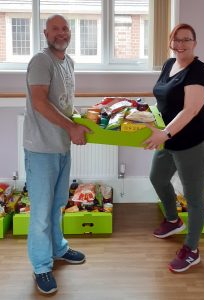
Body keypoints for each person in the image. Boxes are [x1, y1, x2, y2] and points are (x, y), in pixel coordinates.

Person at [23, 14, 90, 294]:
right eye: (55, 29)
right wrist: (71, 126)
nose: (61, 33)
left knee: (57, 203)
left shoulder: (68, 62)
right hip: (41, 148)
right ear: (45, 33)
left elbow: (64, 105)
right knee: (40, 211)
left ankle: (58, 248)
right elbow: (39, 102)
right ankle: (41, 266)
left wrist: (84, 122)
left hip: (61, 147)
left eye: (65, 29)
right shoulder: (41, 61)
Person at [144, 23, 204, 273]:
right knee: (157, 178)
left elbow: (191, 110)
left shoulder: (199, 71)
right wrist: (146, 118)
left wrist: (164, 132)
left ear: (195, 43)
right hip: (169, 138)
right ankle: (174, 221)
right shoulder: (168, 64)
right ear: (170, 42)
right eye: (177, 39)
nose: (181, 44)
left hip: (194, 141)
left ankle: (191, 250)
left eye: (187, 39)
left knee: (194, 197)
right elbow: (163, 99)